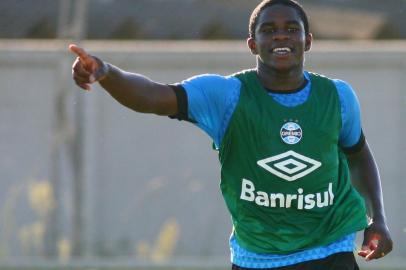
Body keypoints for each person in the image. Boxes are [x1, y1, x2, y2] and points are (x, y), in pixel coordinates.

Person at [69, 0, 393, 269]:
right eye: (269, 30)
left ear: (307, 40)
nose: (281, 37)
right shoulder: (225, 95)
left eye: (292, 29)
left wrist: (376, 218)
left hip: (328, 250)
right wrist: (108, 73)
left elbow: (357, 154)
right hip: (256, 257)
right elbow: (152, 97)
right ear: (253, 44)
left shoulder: (337, 97)